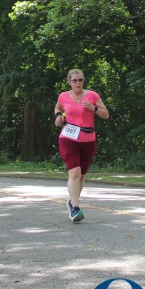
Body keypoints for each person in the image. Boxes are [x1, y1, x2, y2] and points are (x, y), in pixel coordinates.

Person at [53, 69, 109, 222]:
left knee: (82, 175)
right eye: (74, 80)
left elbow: (106, 114)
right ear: (69, 82)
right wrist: (58, 115)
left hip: (88, 139)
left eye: (80, 80)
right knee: (75, 173)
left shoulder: (92, 96)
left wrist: (94, 108)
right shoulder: (63, 96)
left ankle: (72, 202)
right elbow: (58, 107)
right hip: (68, 137)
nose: (78, 83)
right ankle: (76, 209)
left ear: (83, 81)